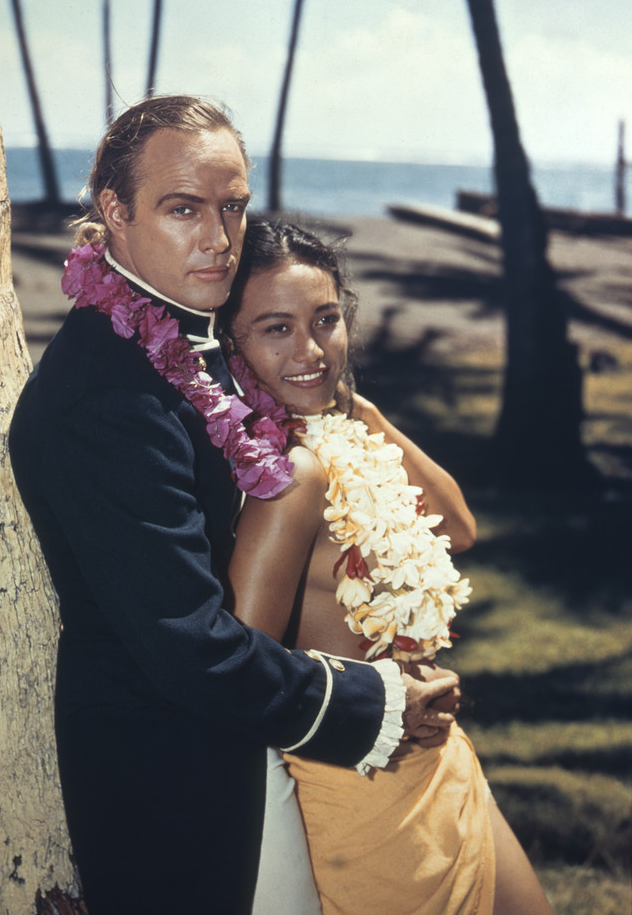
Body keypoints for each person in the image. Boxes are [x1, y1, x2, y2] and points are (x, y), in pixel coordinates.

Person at [8, 95, 461, 915]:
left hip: (243, 735)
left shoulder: (180, 342)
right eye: (184, 209)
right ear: (114, 212)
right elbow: (190, 646)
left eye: (233, 207)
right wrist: (377, 701)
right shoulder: (108, 396)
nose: (219, 239)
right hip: (174, 775)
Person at [222, 218, 555, 915]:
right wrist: (382, 695)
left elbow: (459, 527)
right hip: (366, 790)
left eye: (327, 320)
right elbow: (239, 671)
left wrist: (364, 412)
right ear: (231, 345)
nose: (311, 350)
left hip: (443, 757)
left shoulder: (346, 436)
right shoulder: (286, 479)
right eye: (275, 329)